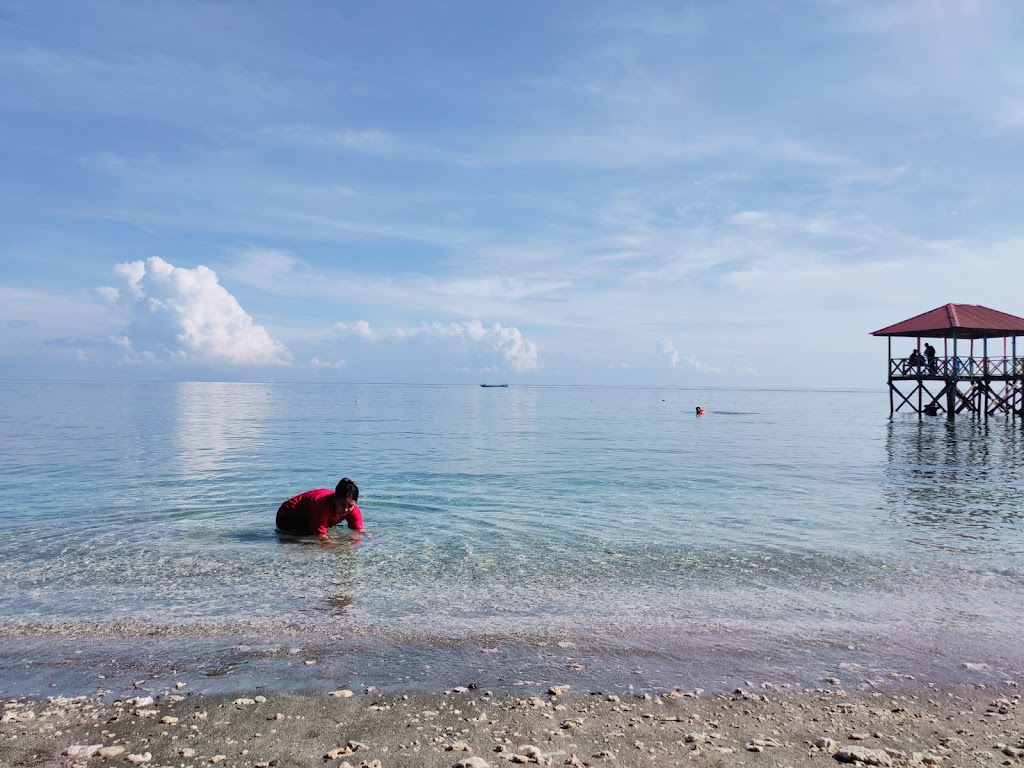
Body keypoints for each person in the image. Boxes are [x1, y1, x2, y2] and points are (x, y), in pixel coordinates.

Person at [276, 477, 364, 539]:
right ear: (334, 499)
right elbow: (321, 537)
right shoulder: (322, 506)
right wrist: (336, 548)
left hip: (310, 515)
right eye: (342, 505)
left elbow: (358, 530)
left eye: (350, 506)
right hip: (287, 516)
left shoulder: (353, 509)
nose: (345, 509)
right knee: (313, 536)